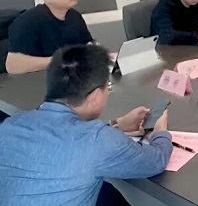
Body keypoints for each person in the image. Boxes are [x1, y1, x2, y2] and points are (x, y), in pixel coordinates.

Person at [0, 44, 172, 205]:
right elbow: (156, 161)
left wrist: (116, 123)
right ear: (94, 97)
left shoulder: (10, 126)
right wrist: (160, 131)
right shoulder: (98, 139)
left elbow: (67, 137)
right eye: (107, 87)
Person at [6, 0, 93, 74]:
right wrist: (61, 61)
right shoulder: (29, 21)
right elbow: (13, 65)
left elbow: (87, 44)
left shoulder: (75, 16)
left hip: (67, 76)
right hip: (34, 79)